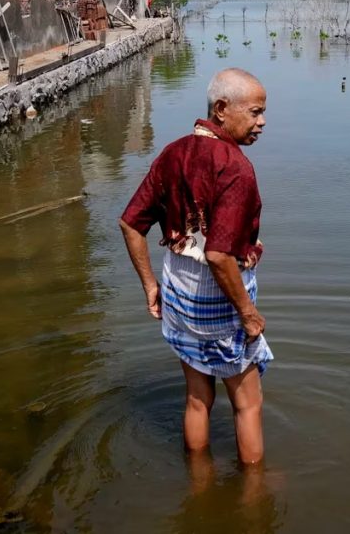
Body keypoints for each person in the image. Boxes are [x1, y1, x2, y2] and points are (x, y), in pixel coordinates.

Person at [119, 68, 271, 465]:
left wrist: (150, 285)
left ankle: (199, 487)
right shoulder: (235, 167)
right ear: (221, 109)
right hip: (219, 301)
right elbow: (219, 256)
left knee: (197, 399)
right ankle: (255, 497)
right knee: (248, 404)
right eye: (255, 112)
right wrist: (249, 314)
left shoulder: (175, 152)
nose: (262, 122)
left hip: (179, 292)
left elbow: (130, 223)